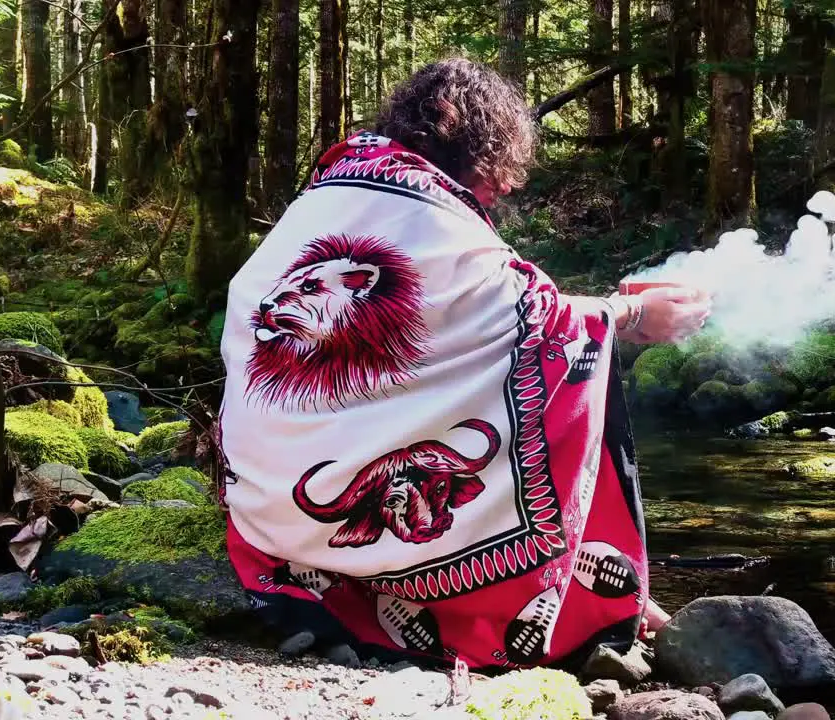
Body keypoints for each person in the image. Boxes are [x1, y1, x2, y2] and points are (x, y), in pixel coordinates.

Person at [216, 57, 711, 670]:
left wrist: (607, 308)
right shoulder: (419, 200)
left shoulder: (335, 188)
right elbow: (530, 318)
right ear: (467, 134)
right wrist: (627, 318)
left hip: (270, 515)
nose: (502, 190)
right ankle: (580, 600)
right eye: (498, 169)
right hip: (345, 520)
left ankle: (319, 590)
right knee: (558, 372)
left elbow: (470, 317)